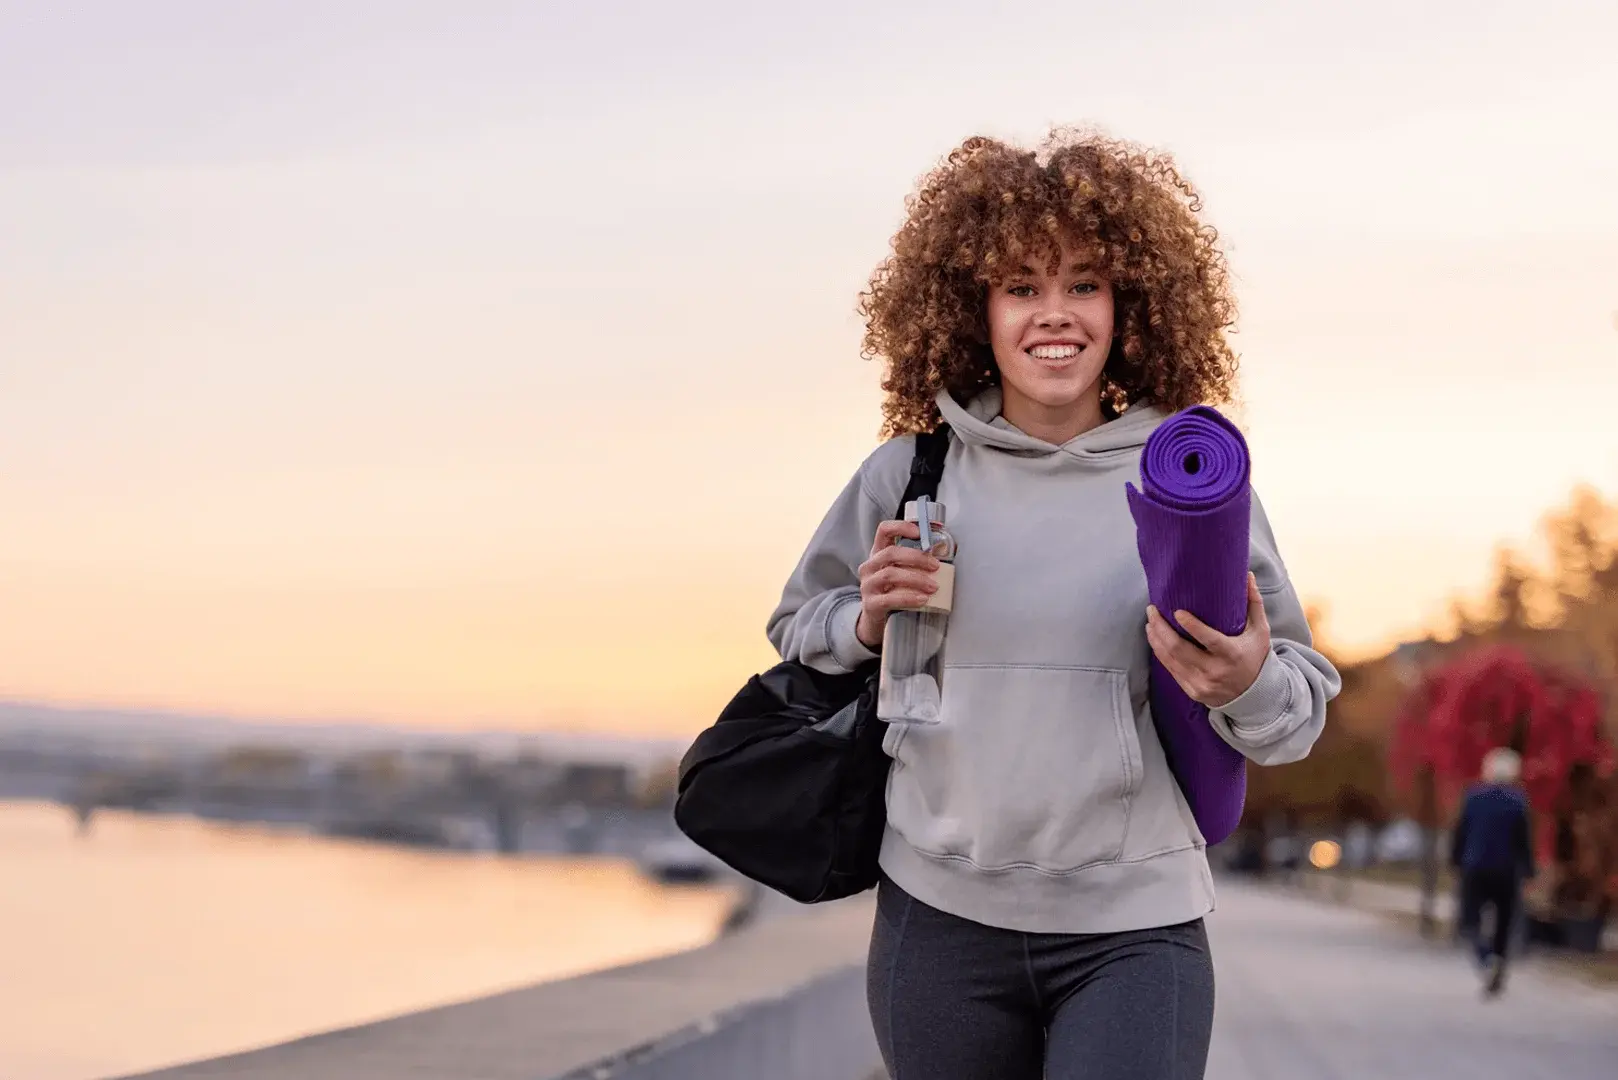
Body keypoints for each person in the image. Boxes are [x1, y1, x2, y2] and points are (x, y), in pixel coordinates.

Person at [766, 129, 1342, 1080]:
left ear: (1128, 307)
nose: (1054, 314)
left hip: (1136, 932)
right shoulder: (911, 474)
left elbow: (1296, 713)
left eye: (1085, 284)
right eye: (1021, 286)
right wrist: (864, 620)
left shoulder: (1189, 478)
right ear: (975, 310)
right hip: (938, 925)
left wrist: (1245, 681)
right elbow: (798, 629)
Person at [1450, 746, 1536, 996]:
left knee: (1470, 921)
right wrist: (1528, 870)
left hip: (1475, 866)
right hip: (1507, 870)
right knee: (1504, 921)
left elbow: (1461, 832)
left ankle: (1485, 957)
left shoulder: (1473, 797)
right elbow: (1523, 839)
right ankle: (1498, 958)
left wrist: (1455, 860)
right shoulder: (1517, 800)